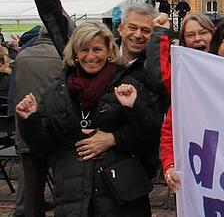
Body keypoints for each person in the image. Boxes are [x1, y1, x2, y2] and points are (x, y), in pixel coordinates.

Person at [16, 22, 159, 215]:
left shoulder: (128, 85)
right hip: (73, 197)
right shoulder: (57, 92)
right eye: (84, 50)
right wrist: (29, 120)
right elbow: (44, 146)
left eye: (97, 49)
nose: (90, 56)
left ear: (109, 51)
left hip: (122, 197)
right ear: (74, 53)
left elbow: (151, 134)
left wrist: (116, 136)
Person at [161, 16, 224, 192]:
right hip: (207, 176)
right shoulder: (195, 83)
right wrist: (170, 165)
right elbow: (171, 129)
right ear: (217, 46)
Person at [13, 29, 64, 217]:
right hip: (56, 131)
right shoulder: (63, 56)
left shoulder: (22, 57)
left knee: (31, 189)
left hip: (26, 129)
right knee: (64, 187)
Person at [145, 12, 215, 95]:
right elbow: (162, 80)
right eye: (190, 35)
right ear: (183, 41)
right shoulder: (180, 69)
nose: (197, 38)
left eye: (203, 33)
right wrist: (160, 33)